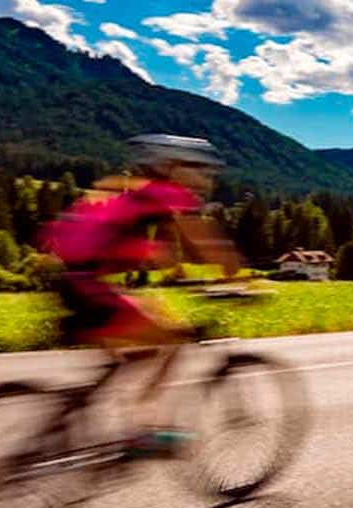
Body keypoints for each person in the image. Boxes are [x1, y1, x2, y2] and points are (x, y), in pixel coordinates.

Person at [42, 134, 244, 456]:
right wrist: (236, 271)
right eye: (199, 169)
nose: (205, 178)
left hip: (73, 281)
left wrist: (181, 275)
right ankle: (142, 430)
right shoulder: (167, 194)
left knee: (140, 347)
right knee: (172, 340)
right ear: (173, 167)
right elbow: (205, 241)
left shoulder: (141, 196)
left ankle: (68, 422)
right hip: (86, 285)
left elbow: (164, 253)